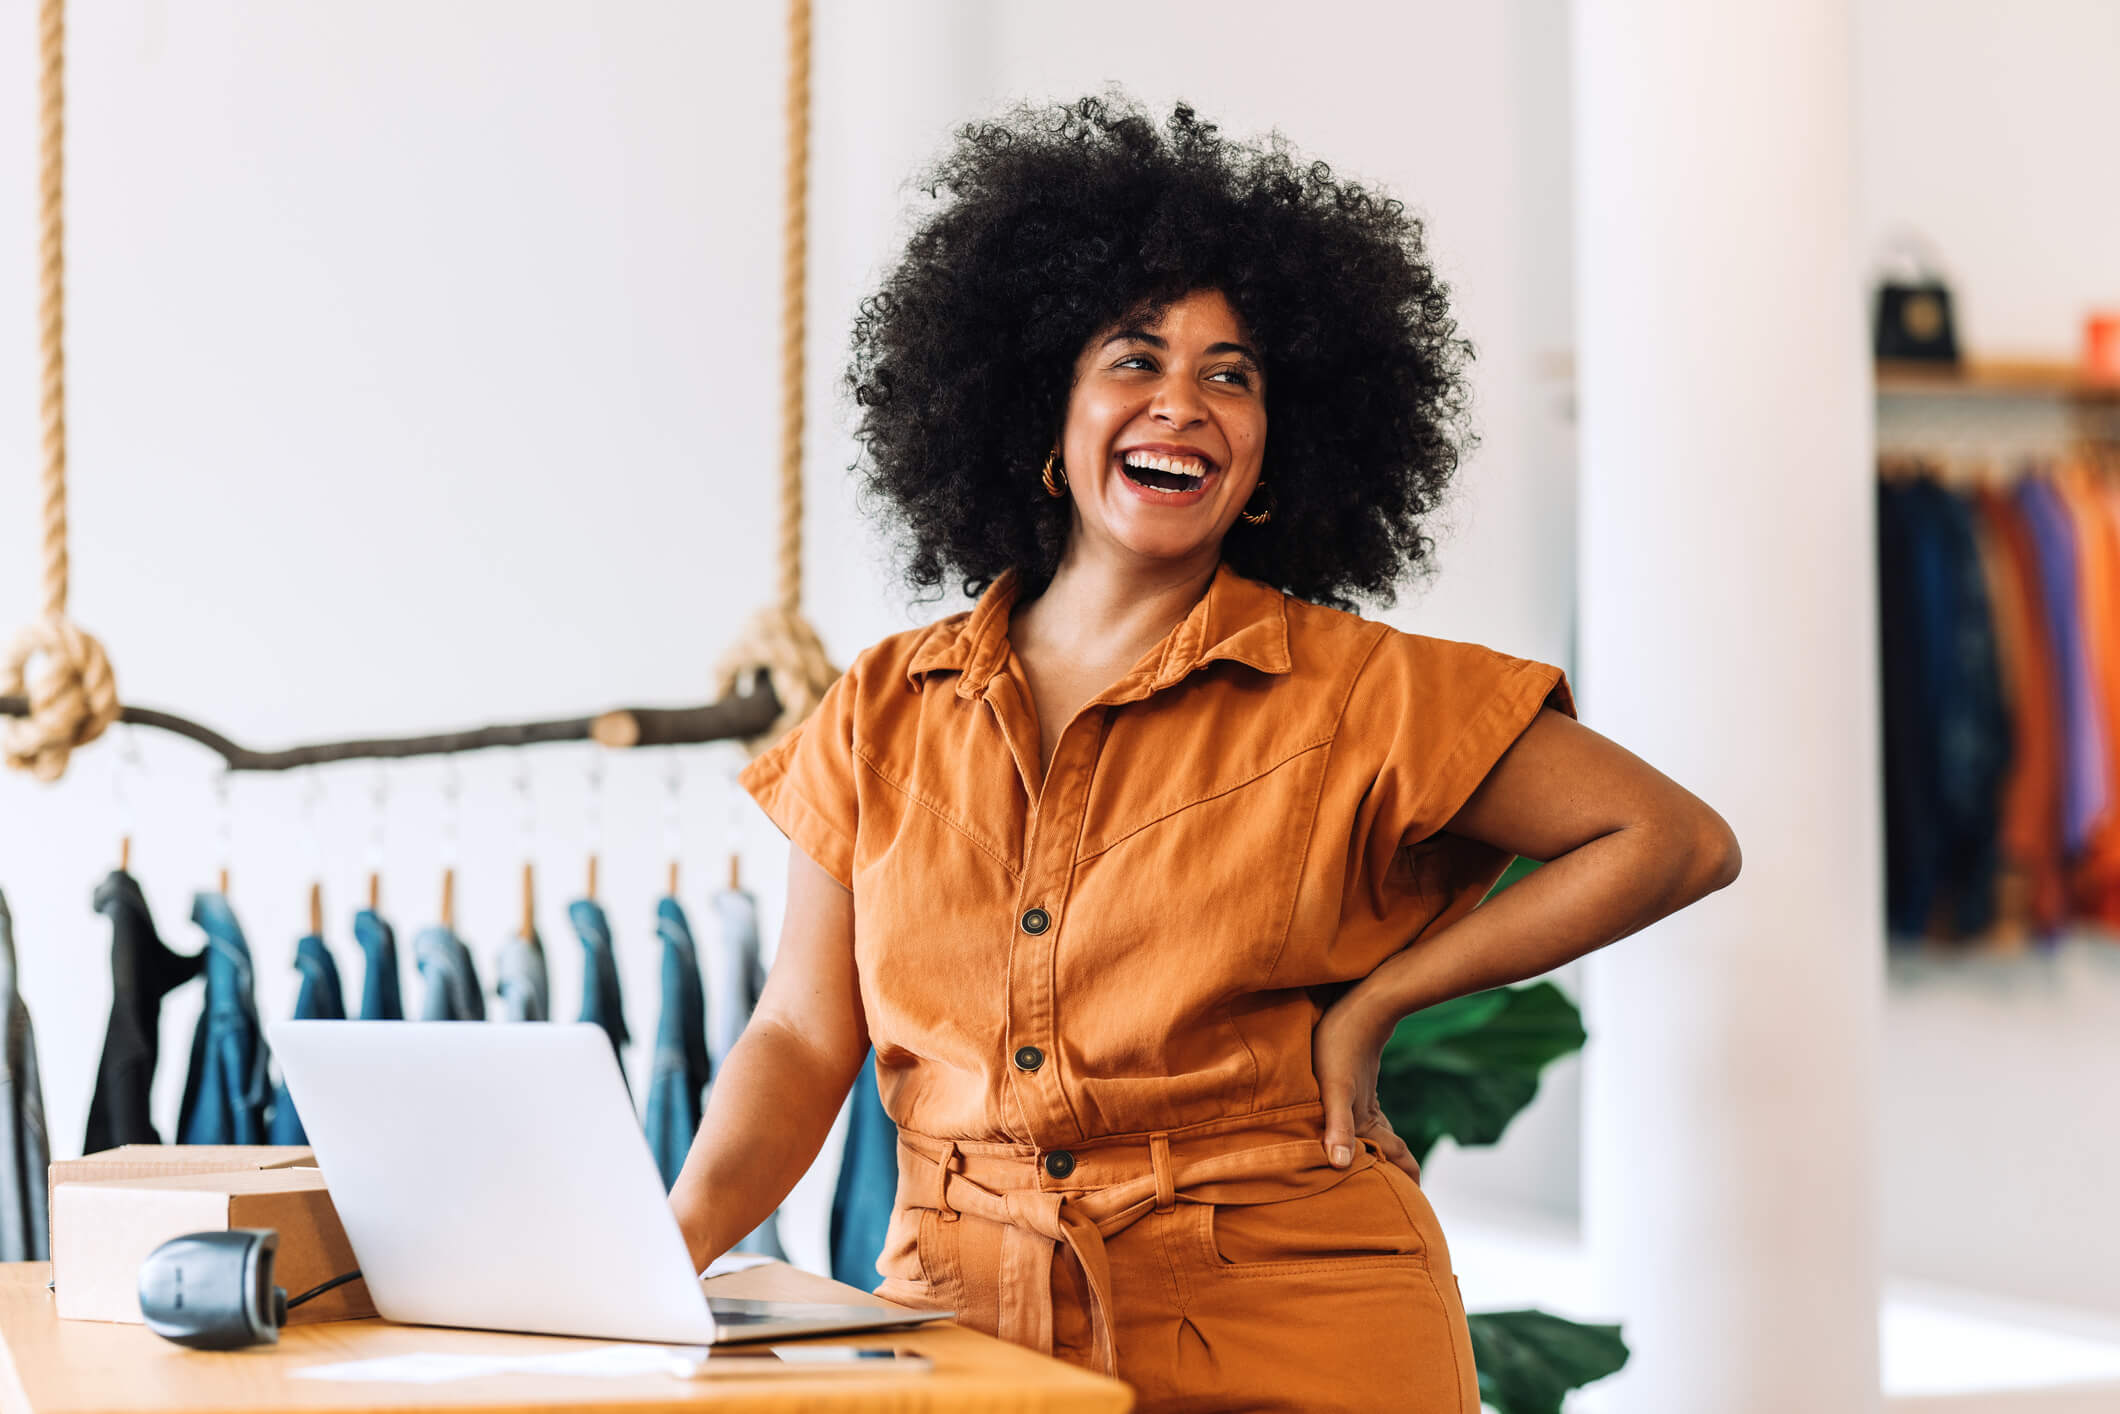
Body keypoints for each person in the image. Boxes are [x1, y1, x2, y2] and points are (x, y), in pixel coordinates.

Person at [669, 93, 1740, 1412]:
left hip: (1296, 1321)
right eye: (1134, 358)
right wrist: (669, 1251)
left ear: (1276, 456)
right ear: (1039, 418)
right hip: (960, 1320)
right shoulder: (883, 703)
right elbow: (796, 1030)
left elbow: (1673, 838)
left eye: (1230, 376)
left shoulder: (1357, 692)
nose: (1182, 403)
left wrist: (1384, 997)